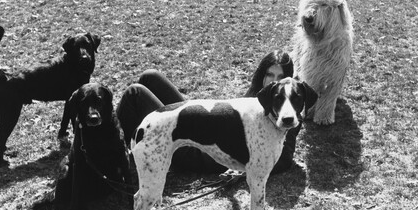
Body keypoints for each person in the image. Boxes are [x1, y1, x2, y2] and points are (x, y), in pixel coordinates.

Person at [116, 50, 299, 174]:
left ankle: (123, 154)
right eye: (270, 75)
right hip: (206, 126)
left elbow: (283, 160)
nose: (274, 82)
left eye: (281, 77)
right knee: (150, 77)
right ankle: (137, 146)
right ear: (262, 74)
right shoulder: (259, 97)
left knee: (135, 93)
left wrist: (244, 169)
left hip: (199, 151)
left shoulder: (286, 113)